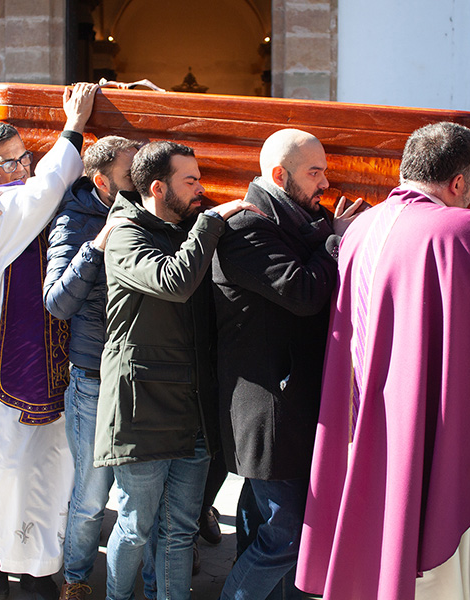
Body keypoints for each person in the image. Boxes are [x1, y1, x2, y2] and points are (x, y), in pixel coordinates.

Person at [297, 122, 470, 600]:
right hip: (430, 420)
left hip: (366, 414)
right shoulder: (461, 229)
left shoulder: (361, 226)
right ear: (460, 183)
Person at [0, 82, 99, 600]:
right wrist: (73, 126)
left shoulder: (25, 205)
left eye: (26, 157)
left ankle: (37, 563)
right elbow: (46, 188)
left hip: (48, 350)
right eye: (11, 161)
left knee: (51, 461)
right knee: (0, 459)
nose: (23, 167)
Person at [97, 141, 260, 600]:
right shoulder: (126, 233)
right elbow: (174, 281)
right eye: (190, 181)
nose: (201, 190)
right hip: (142, 409)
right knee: (134, 527)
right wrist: (209, 224)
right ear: (156, 187)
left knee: (180, 530)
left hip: (192, 412)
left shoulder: (191, 230)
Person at [212, 128, 362, 600]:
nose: (325, 182)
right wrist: (336, 240)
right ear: (280, 175)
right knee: (287, 534)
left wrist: (327, 233)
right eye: (314, 172)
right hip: (267, 410)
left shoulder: (298, 222)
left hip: (290, 404)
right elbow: (303, 292)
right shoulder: (246, 229)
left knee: (264, 525)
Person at [43, 135, 142, 600]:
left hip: (142, 373)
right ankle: (76, 577)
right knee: (90, 494)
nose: (141, 184)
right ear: (102, 181)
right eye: (129, 177)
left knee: (139, 496)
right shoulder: (74, 219)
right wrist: (97, 244)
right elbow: (57, 302)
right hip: (94, 377)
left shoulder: (148, 211)